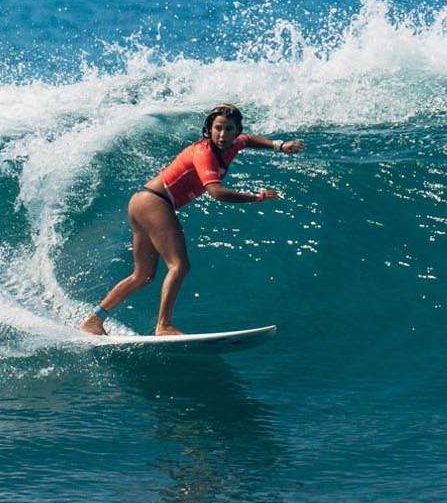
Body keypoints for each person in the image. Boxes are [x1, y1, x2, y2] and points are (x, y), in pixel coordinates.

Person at [80, 103, 306, 336]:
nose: (222, 134)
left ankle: (94, 320)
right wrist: (255, 197)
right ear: (209, 128)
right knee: (179, 265)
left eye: (229, 129)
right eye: (218, 128)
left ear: (236, 131)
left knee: (143, 275)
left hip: (142, 201)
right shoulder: (204, 152)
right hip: (154, 201)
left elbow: (248, 140)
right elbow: (216, 192)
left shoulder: (233, 144)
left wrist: (279, 146)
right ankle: (163, 326)